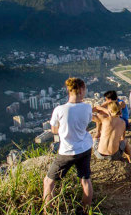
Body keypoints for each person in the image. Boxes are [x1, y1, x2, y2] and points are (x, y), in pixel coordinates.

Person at [43, 78, 93, 211]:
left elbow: (54, 130)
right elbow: (86, 123)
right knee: (85, 180)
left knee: (49, 182)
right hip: (85, 148)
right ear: (81, 90)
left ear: (68, 90)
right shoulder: (87, 107)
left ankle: (49, 211)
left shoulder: (59, 110)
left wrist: (64, 128)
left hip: (67, 151)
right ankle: (86, 211)